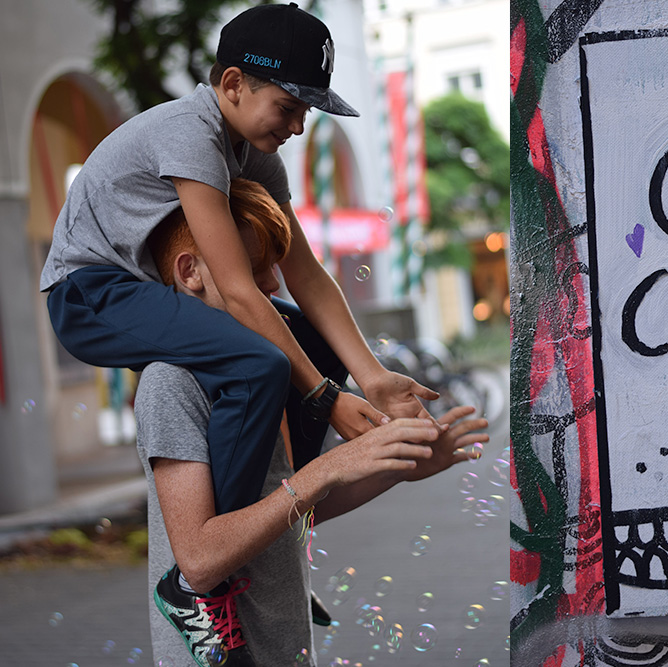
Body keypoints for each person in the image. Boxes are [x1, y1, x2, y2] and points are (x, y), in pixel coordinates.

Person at [41, 2, 434, 524]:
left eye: (306, 113)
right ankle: (216, 553)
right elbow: (237, 288)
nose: (297, 126)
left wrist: (373, 376)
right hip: (89, 295)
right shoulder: (190, 132)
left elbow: (308, 277)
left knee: (311, 341)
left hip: (139, 294)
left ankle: (280, 507)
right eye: (289, 106)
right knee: (259, 363)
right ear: (232, 84)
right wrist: (325, 398)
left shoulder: (255, 153)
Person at [139, 178, 489, 665]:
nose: (270, 287)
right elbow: (197, 561)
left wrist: (399, 467)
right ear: (190, 271)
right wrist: (326, 468)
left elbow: (290, 513)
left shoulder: (259, 375)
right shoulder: (171, 381)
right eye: (252, 268)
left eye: (271, 270)